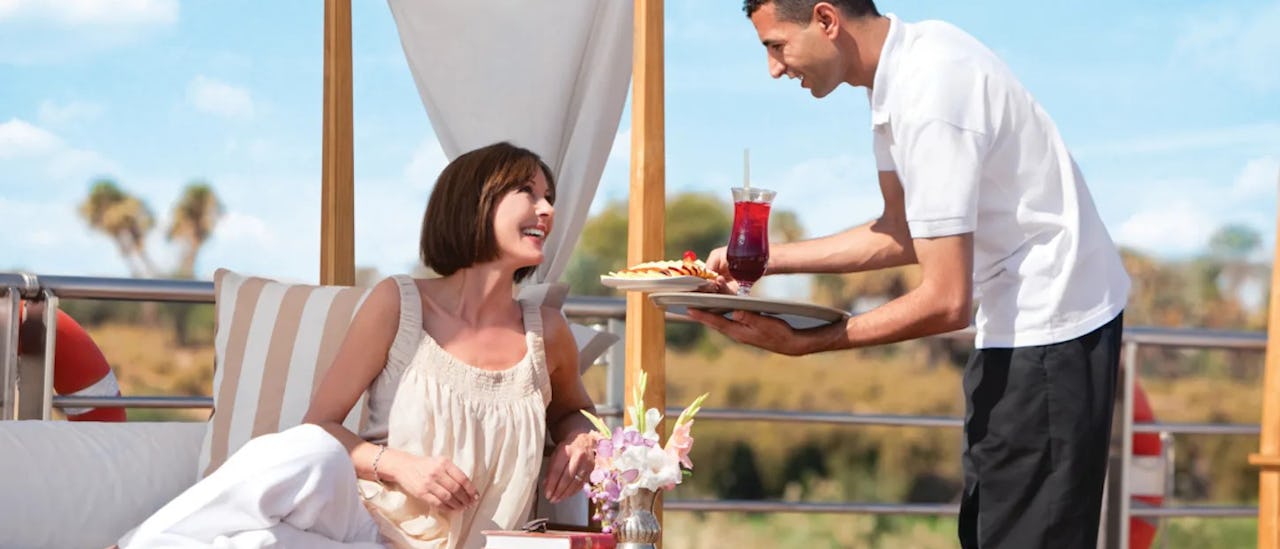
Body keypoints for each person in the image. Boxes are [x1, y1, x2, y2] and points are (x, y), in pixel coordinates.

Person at [691, 2, 1131, 547]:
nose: (774, 69)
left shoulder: (930, 91)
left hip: (1052, 330)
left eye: (776, 46)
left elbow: (946, 300)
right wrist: (765, 259)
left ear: (826, 20)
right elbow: (902, 229)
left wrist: (806, 344)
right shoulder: (898, 76)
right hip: (1017, 328)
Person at [120, 142, 599, 549]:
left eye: (550, 197)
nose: (548, 210)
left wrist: (580, 437)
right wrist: (402, 467)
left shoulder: (546, 332)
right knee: (308, 449)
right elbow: (322, 425)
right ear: (476, 202)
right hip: (364, 529)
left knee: (252, 543)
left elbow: (573, 412)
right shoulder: (400, 302)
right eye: (529, 193)